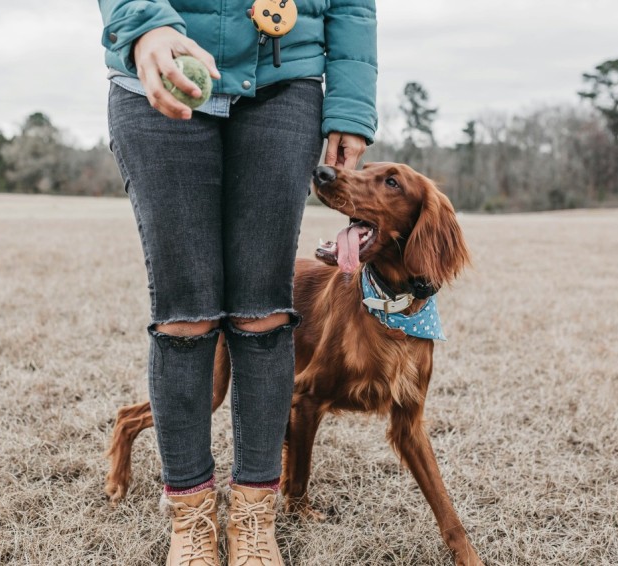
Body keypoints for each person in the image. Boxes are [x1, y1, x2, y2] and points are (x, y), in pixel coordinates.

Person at [98, 1, 377, 564]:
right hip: (159, 75)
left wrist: (350, 103)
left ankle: (253, 518)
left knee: (264, 314)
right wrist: (144, 24)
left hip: (284, 83)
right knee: (185, 314)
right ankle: (191, 520)